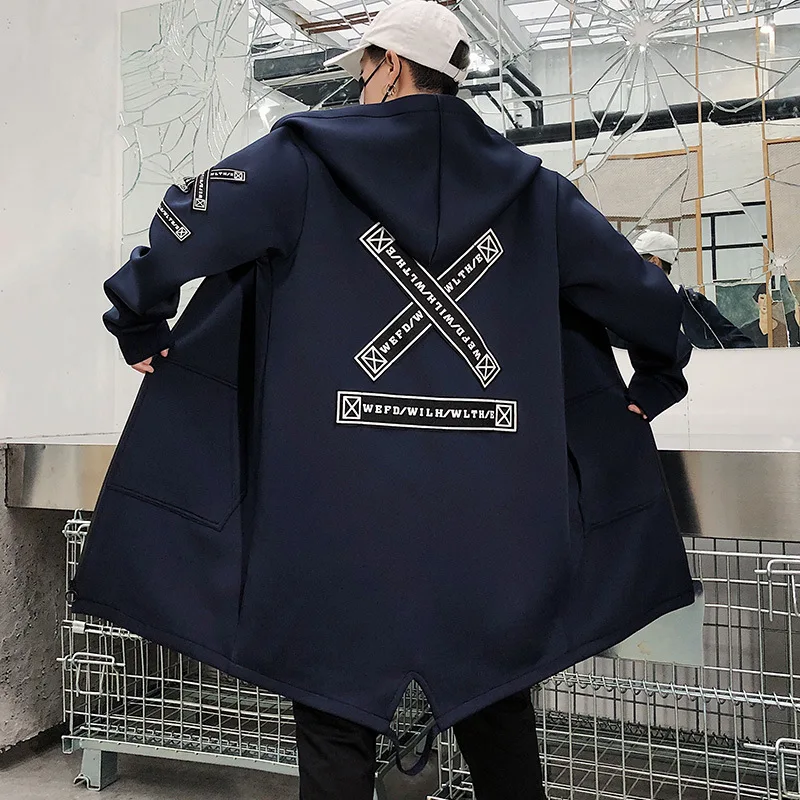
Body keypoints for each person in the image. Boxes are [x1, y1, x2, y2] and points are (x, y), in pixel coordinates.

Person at [68, 2, 695, 798]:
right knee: (498, 707)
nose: (360, 88)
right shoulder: (539, 195)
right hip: (495, 520)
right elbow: (645, 298)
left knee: (334, 720)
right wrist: (656, 376)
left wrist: (138, 314)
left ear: (391, 65)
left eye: (363, 70)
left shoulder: (298, 162)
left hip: (331, 512)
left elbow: (188, 218)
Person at [631, 230, 755, 349]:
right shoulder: (631, 304)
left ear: (654, 262)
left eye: (635, 261)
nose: (630, 268)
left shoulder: (694, 304)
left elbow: (740, 343)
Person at [741, 283, 790, 347]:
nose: (765, 303)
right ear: (757, 300)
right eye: (762, 298)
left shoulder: (782, 330)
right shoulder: (746, 330)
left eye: (769, 299)